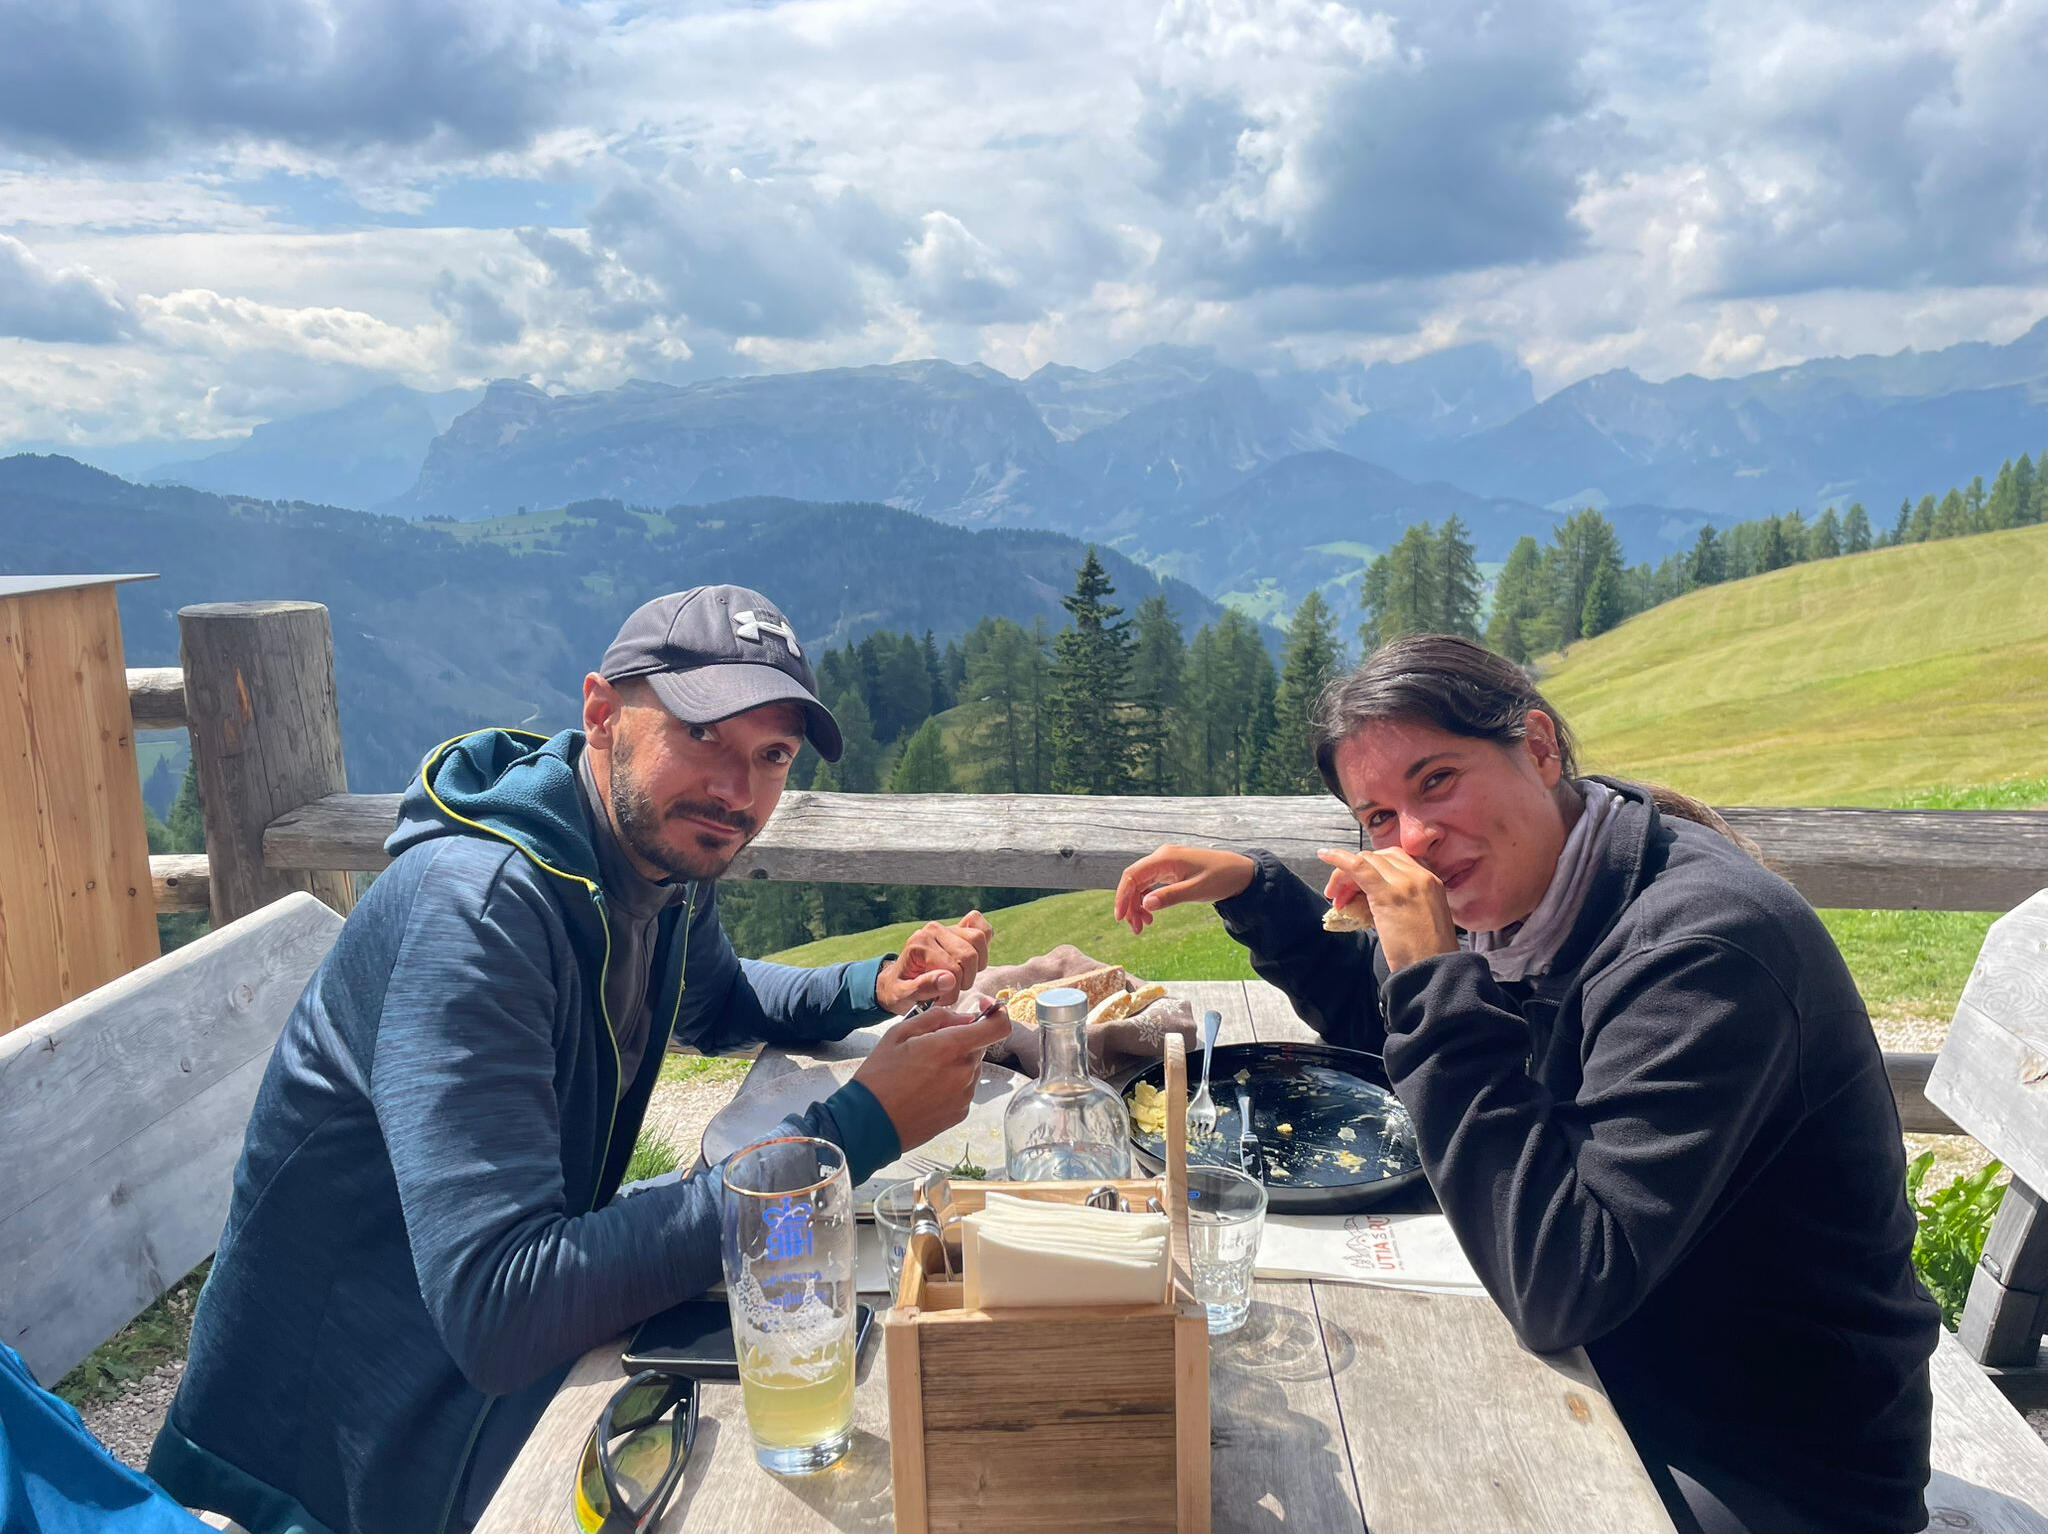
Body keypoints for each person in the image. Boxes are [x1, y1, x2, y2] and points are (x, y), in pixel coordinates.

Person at [150, 585, 1012, 1534]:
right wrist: (856, 1130)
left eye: (772, 755)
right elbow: (504, 1306)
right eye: (703, 735)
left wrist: (879, 983)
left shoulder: (650, 857)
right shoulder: (478, 915)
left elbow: (716, 998)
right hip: (326, 1479)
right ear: (602, 714)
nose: (738, 791)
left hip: (475, 1397)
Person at [1114, 634, 1938, 1534]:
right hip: (1614, 1368)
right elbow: (1396, 1039)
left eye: (1437, 780)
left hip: (1762, 1460)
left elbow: (1563, 1279)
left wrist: (1433, 976)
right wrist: (1262, 896)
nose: (1414, 838)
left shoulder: (1702, 949)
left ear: (1539, 748)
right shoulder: (1528, 900)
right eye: (1379, 816)